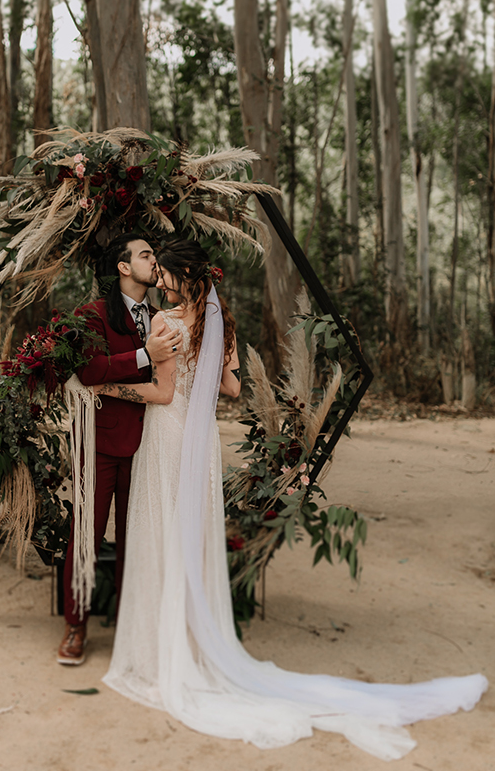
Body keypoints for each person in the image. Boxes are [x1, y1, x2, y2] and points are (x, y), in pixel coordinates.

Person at [93, 239, 488, 760]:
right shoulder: (219, 322)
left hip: (168, 438)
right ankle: (189, 646)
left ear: (180, 276)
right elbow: (231, 389)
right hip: (203, 441)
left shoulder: (165, 323)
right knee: (189, 538)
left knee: (160, 536)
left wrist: (106, 389)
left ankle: (159, 656)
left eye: (164, 272)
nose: (160, 278)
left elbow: (164, 394)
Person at [57, 234, 181, 665]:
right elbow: (90, 370)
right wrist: (145, 354)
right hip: (102, 443)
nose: (154, 261)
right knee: (86, 536)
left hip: (152, 443)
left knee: (138, 538)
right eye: (146, 254)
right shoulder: (91, 316)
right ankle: (76, 625)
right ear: (124, 267)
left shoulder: (165, 317)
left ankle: (132, 626)